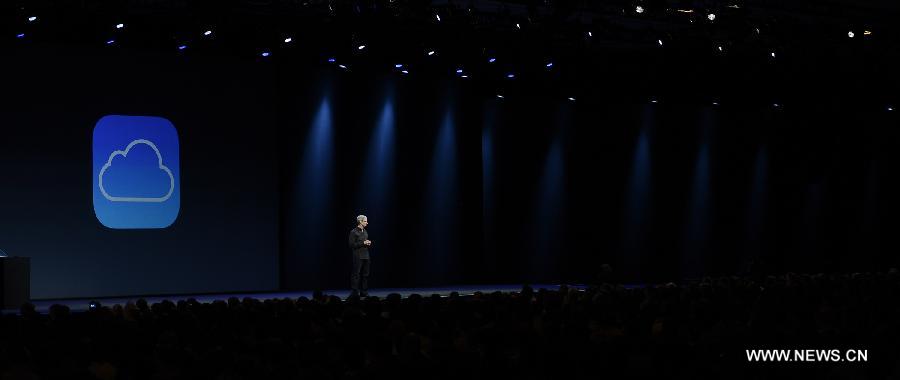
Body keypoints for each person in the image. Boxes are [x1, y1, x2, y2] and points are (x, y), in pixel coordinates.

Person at [348, 215, 372, 297]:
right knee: (356, 274)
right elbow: (351, 245)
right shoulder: (353, 232)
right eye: (365, 221)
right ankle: (355, 292)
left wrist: (367, 243)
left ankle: (364, 291)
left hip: (366, 255)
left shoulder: (365, 231)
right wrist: (363, 243)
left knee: (366, 274)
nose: (367, 223)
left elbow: (364, 243)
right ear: (360, 222)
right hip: (358, 256)